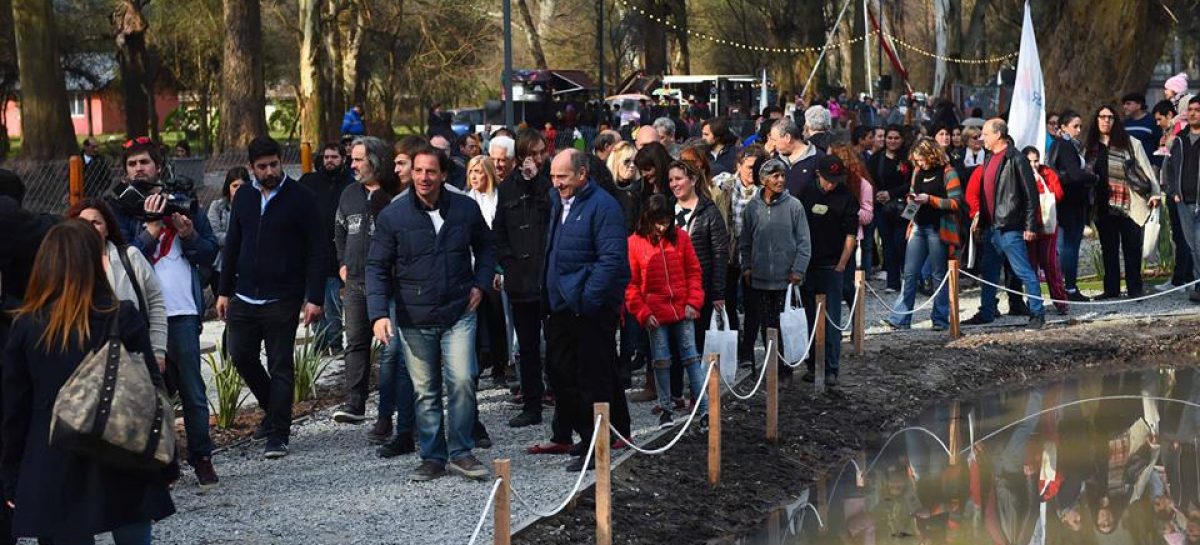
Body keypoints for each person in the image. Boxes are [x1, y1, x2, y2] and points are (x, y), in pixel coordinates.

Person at [2, 220, 175, 544]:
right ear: (94, 261)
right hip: (123, 443)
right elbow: (153, 391)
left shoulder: (27, 325)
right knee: (132, 528)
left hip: (53, 451)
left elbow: (15, 410)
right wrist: (166, 461)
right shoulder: (121, 315)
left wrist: (11, 477)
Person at [367, 145, 495, 481]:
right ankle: (432, 456)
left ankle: (462, 451)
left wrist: (480, 284)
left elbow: (486, 247)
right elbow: (377, 266)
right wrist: (379, 314)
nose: (424, 177)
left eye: (431, 171)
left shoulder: (465, 209)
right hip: (413, 315)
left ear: (443, 174)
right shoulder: (393, 216)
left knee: (463, 379)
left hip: (459, 311)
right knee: (424, 389)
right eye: (419, 171)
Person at [106, 136, 219, 488]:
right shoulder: (118, 211)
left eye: (145, 163)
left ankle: (202, 457)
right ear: (125, 172)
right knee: (148, 394)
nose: (139, 168)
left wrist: (187, 235)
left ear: (158, 166)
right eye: (132, 164)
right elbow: (122, 257)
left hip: (182, 311)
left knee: (193, 391)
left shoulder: (184, 202)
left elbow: (209, 252)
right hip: (137, 314)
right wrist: (153, 227)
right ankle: (159, 463)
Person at [216, 136, 325, 459]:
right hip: (245, 295)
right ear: (252, 168)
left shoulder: (301, 198)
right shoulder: (245, 198)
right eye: (262, 167)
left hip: (284, 296)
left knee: (280, 364)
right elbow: (233, 243)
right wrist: (223, 291)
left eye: (274, 164)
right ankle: (274, 409)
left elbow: (316, 250)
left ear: (281, 162)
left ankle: (278, 433)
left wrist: (314, 297)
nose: (269, 171)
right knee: (240, 354)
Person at [542, 149, 632, 472]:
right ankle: (588, 433)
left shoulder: (603, 207)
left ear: (582, 174)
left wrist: (587, 299)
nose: (556, 183)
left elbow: (611, 259)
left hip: (588, 308)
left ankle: (599, 443)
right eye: (552, 177)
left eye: (562, 177)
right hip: (562, 305)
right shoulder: (558, 202)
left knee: (592, 377)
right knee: (561, 372)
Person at [332, 136, 401, 425]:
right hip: (356, 281)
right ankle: (354, 403)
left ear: (376, 161)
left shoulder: (393, 194)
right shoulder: (348, 193)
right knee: (355, 343)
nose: (353, 164)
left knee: (391, 346)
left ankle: (389, 406)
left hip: (389, 282)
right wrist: (342, 263)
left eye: (359, 159)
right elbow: (339, 230)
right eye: (353, 159)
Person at [625, 195, 709, 429]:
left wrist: (694, 302)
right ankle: (666, 407)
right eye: (658, 222)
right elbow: (631, 283)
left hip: (682, 307)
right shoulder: (634, 243)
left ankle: (703, 408)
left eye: (666, 222)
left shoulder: (681, 238)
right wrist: (641, 311)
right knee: (661, 360)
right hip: (655, 311)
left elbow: (694, 271)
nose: (662, 227)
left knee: (691, 357)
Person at [66, 197, 168, 373]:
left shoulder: (131, 257)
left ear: (107, 229)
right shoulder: (65, 266)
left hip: (133, 359)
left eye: (96, 222)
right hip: (83, 363)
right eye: (83, 223)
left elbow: (156, 302)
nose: (90, 228)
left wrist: (157, 351)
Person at [962, 119, 1045, 328]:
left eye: (986, 134)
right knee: (988, 273)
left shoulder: (1016, 158)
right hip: (991, 227)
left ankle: (1037, 313)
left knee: (1024, 271)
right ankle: (987, 311)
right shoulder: (989, 158)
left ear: (998, 135)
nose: (982, 139)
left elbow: (1030, 195)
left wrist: (1030, 226)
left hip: (1010, 227)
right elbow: (985, 192)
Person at [495, 143, 554, 430]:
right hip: (520, 279)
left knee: (557, 344)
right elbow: (500, 230)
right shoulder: (506, 189)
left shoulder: (549, 184)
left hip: (549, 278)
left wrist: (537, 182)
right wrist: (508, 264)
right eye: (529, 154)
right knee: (527, 347)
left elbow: (554, 214)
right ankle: (532, 403)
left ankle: (561, 400)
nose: (533, 160)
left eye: (539, 153)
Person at [739, 158, 811, 380]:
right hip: (760, 279)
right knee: (765, 326)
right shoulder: (752, 207)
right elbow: (745, 240)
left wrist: (798, 270)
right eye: (774, 176)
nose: (780, 180)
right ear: (763, 180)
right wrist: (747, 267)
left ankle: (785, 369)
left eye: (782, 176)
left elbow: (804, 242)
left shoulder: (794, 206)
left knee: (784, 326)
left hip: (785, 280)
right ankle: (770, 368)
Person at [881, 138, 961, 331]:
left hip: (938, 228)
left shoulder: (948, 172)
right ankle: (901, 318)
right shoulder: (917, 172)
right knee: (909, 273)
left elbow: (956, 203)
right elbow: (912, 195)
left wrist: (931, 200)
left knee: (938, 275)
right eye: (916, 160)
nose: (919, 163)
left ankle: (940, 319)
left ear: (931, 155)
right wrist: (912, 201)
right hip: (917, 226)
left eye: (922, 159)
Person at [1084, 105, 1162, 300]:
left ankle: (1135, 289)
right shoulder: (1090, 147)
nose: (1105, 121)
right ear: (1096, 120)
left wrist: (1155, 192)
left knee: (1132, 249)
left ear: (1115, 120)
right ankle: (1111, 289)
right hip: (1103, 206)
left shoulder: (1130, 143)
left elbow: (1146, 168)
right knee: (1108, 250)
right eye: (1101, 117)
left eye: (1110, 117)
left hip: (1130, 204)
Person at [796, 155, 858, 386]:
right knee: (809, 317)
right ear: (818, 175)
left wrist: (842, 264)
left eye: (835, 180)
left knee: (832, 318)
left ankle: (831, 367)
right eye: (828, 179)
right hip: (808, 265)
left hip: (832, 264)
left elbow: (851, 235)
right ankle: (813, 364)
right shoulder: (806, 193)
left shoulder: (846, 197)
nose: (831, 184)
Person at [667, 160, 729, 354]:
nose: (674, 184)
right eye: (670, 180)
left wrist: (718, 292)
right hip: (670, 286)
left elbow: (720, 252)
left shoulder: (709, 211)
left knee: (698, 339)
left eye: (679, 179)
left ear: (692, 179)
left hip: (700, 285)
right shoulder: (667, 208)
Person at [299, 142, 355, 355]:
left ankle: (335, 343)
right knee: (315, 301)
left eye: (334, 157)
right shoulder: (309, 182)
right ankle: (320, 344)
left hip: (335, 253)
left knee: (333, 303)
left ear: (343, 159)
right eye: (326, 157)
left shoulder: (349, 185)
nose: (329, 161)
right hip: (311, 252)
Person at [1046, 110, 1098, 301]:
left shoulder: (1062, 146)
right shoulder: (1065, 146)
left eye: (1080, 126)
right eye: (1074, 126)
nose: (1078, 130)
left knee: (1066, 246)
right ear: (1063, 127)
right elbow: (1075, 174)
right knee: (1069, 247)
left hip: (1068, 203)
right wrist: (1093, 177)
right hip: (1070, 203)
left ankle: (1065, 288)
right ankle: (1069, 288)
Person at [466, 155, 508, 385]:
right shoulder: (465, 200)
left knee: (495, 316)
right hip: (471, 266)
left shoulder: (499, 200)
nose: (474, 176)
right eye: (471, 170)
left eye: (479, 171)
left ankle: (499, 364)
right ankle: (477, 362)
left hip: (494, 267)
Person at [1152, 99, 1197, 293]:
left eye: (1197, 110)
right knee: (1189, 243)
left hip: (1194, 197)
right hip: (1181, 197)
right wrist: (1172, 191)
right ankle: (1191, 282)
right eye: (1191, 110)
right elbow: (1170, 166)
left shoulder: (1178, 134)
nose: (1193, 113)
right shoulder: (1180, 138)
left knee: (1195, 243)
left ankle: (1190, 281)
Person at [827, 144, 875, 310]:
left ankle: (856, 317)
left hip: (849, 238)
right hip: (827, 236)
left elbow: (868, 216)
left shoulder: (863, 185)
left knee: (846, 283)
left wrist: (849, 212)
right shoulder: (826, 182)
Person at [1022, 147, 1070, 314]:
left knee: (1050, 263)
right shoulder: (1019, 174)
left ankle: (1060, 300)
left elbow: (1058, 194)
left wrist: (1040, 181)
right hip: (1029, 225)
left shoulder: (1048, 173)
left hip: (1047, 225)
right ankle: (1034, 302)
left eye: (1036, 160)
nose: (1034, 165)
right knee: (1031, 264)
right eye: (1030, 161)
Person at [868, 124, 911, 292]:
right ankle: (892, 281)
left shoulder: (907, 158)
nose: (892, 141)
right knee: (887, 244)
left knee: (901, 242)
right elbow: (869, 179)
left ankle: (907, 276)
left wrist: (891, 193)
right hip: (882, 207)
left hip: (903, 206)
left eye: (896, 138)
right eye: (889, 138)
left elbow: (911, 182)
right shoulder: (876, 158)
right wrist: (878, 194)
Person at [207, 167, 250, 296]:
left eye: (242, 186)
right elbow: (215, 236)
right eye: (235, 186)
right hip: (222, 267)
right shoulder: (217, 207)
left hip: (246, 268)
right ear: (228, 187)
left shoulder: (255, 207)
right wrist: (240, 238)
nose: (238, 190)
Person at [770, 118, 824, 199]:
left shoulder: (818, 158)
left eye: (774, 140)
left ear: (787, 137)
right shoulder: (776, 161)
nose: (773, 144)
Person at [1122, 92, 1161, 163]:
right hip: (1130, 165)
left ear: (1139, 105)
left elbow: (1159, 144)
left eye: (1128, 104)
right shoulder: (1124, 123)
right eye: (1124, 104)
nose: (1124, 107)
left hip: (1149, 165)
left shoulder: (1152, 121)